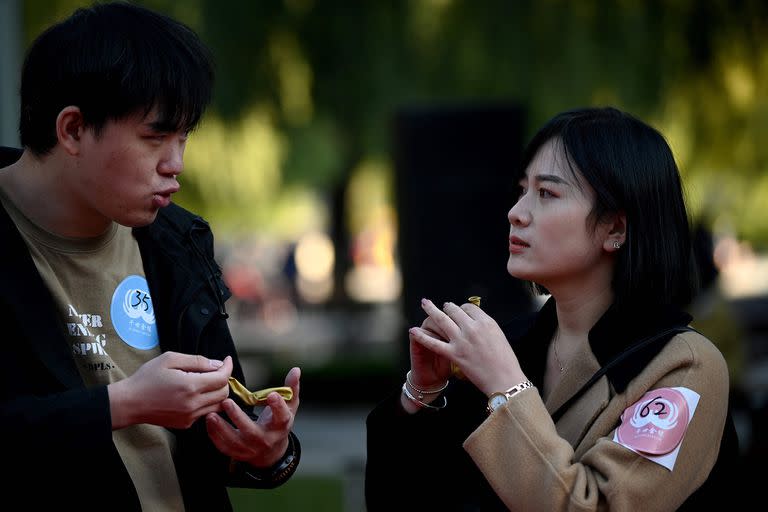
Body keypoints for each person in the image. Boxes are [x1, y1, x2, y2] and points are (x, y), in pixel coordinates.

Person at [0, 2, 301, 510]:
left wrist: (267, 451)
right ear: (72, 130)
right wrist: (122, 405)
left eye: (183, 138)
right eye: (155, 137)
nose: (176, 165)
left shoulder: (177, 243)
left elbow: (214, 442)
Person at [366, 107, 738, 511]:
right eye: (523, 190)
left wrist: (507, 388)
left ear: (615, 228)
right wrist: (420, 396)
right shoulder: (513, 345)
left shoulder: (683, 367)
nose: (516, 212)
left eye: (547, 193)